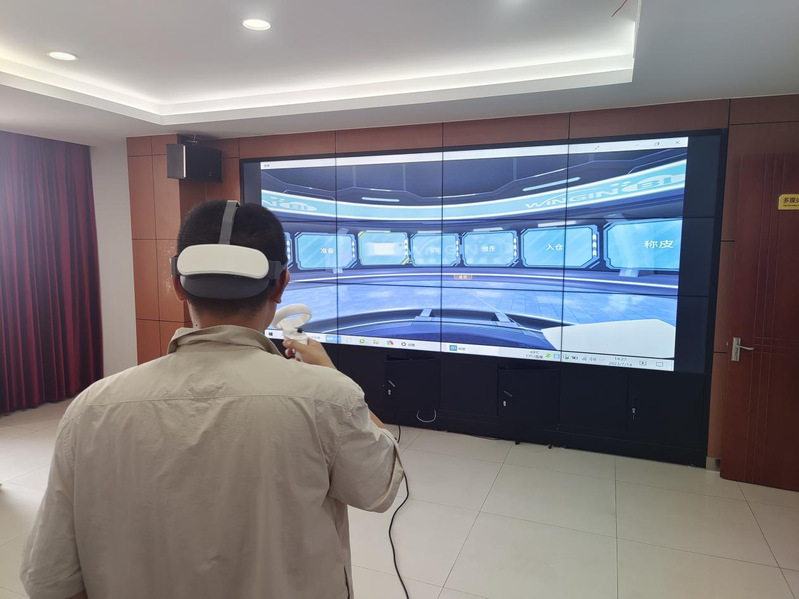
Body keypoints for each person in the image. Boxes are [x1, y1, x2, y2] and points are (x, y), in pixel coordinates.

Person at [20, 200, 404, 599]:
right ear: (281, 285)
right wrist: (332, 375)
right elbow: (380, 488)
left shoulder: (91, 409)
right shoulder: (329, 397)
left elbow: (51, 581)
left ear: (177, 285)